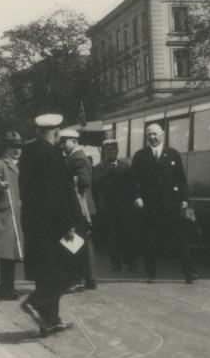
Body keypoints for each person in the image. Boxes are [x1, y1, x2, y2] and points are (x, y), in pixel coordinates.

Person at [18, 113, 81, 337]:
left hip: (34, 222)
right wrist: (67, 223)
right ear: (56, 131)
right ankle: (37, 302)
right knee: (69, 269)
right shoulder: (50, 154)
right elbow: (55, 194)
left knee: (47, 273)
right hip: (52, 224)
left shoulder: (28, 152)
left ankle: (50, 321)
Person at [131, 122, 196, 284]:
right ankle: (151, 274)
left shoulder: (173, 154)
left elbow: (181, 179)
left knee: (179, 238)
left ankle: (190, 273)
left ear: (162, 135)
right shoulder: (140, 156)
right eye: (149, 135)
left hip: (171, 204)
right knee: (149, 240)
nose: (152, 137)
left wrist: (185, 200)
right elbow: (133, 180)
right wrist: (137, 197)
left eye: (155, 134)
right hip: (150, 204)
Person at [0, 130, 24, 300]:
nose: (17, 150)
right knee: (8, 254)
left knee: (14, 253)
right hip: (7, 214)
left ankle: (8, 288)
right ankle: (6, 289)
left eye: (19, 146)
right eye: (12, 146)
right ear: (6, 148)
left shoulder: (22, 164)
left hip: (19, 213)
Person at [60, 128, 97, 290]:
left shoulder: (78, 158)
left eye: (65, 142)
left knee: (76, 241)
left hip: (79, 208)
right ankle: (89, 278)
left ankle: (79, 279)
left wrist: (65, 181)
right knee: (83, 242)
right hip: (81, 207)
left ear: (74, 141)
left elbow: (85, 181)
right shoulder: (74, 157)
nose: (62, 145)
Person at [93, 137, 136, 271]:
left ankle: (129, 260)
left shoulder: (125, 166)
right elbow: (98, 184)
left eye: (114, 150)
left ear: (117, 151)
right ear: (104, 152)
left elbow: (131, 184)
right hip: (109, 207)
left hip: (124, 206)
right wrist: (110, 172)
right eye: (108, 150)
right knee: (113, 235)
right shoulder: (99, 168)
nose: (112, 153)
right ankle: (116, 262)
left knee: (128, 234)